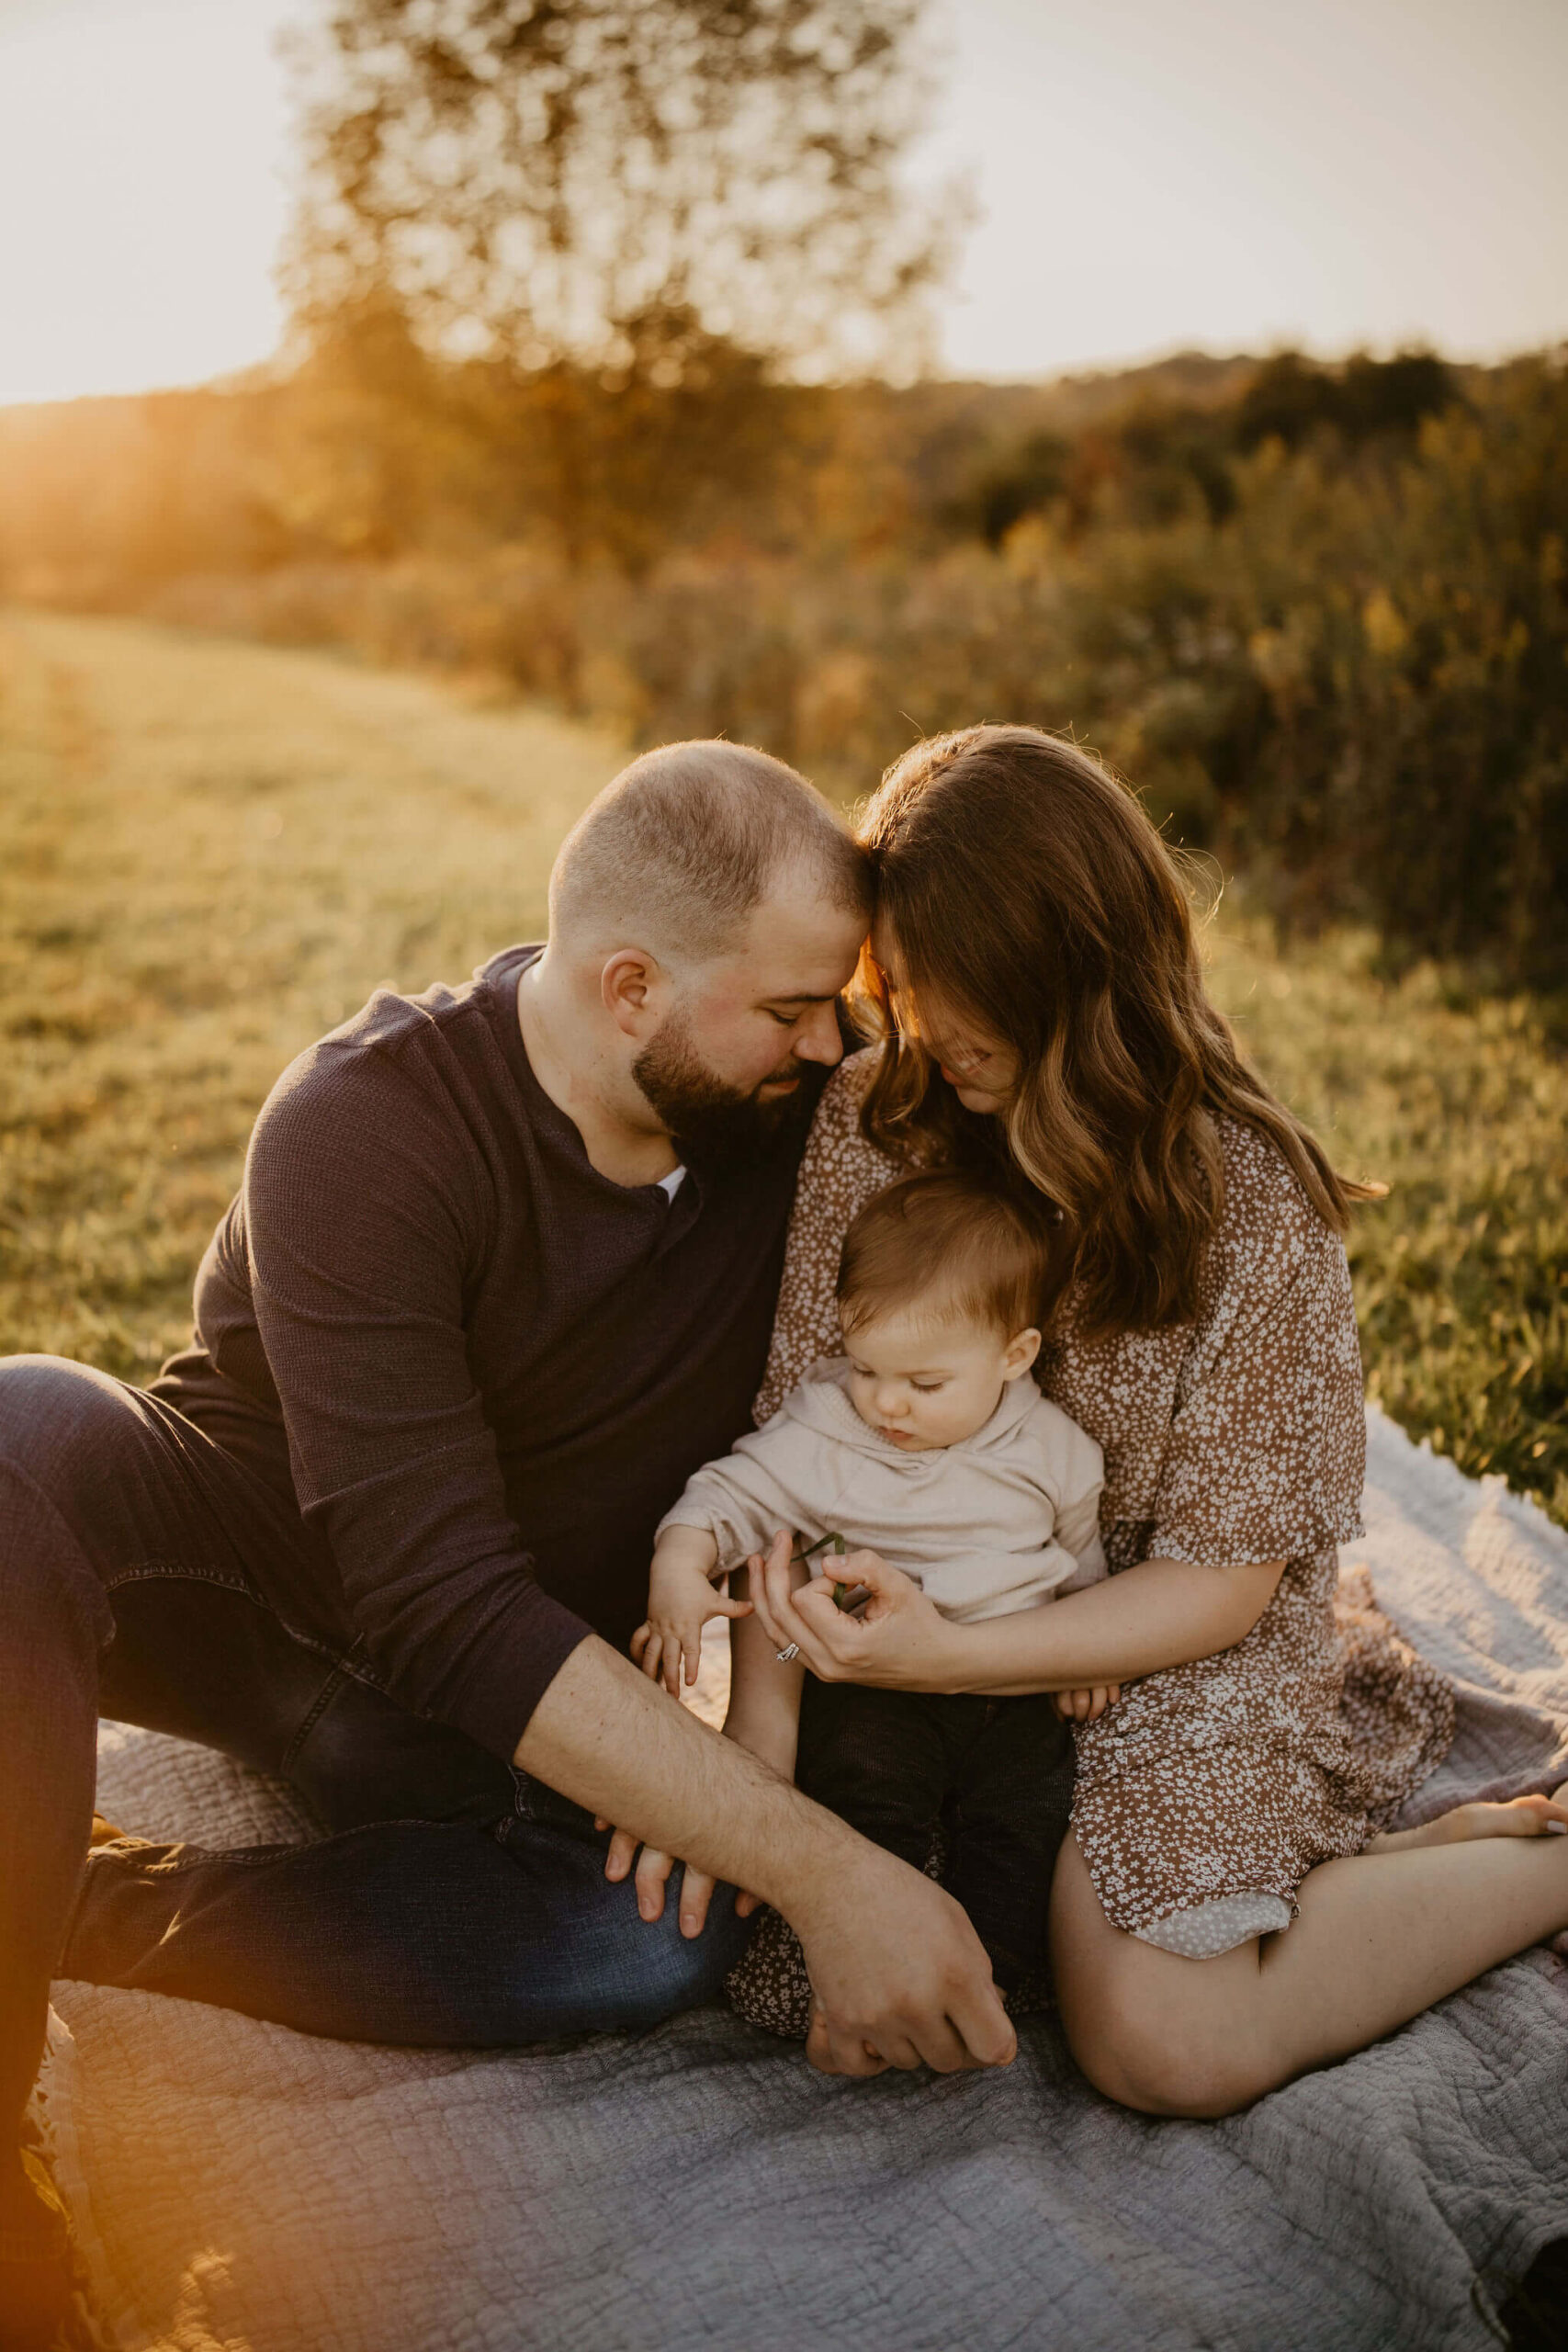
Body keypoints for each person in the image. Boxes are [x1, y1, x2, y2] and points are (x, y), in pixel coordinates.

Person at [0, 741, 1017, 2348]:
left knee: (642, 1941)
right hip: (251, 1587)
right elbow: (432, 1596)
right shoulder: (365, 1124)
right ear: (630, 989)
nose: (835, 1047)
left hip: (504, 1690)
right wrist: (825, 1870)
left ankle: (90, 1908)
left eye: (843, 1007)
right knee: (22, 1430)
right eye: (791, 1010)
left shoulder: (810, 1127)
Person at [721, 722, 1568, 2103]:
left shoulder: (1245, 1210)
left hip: (1164, 1638)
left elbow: (1219, 1585)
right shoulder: (881, 1116)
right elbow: (797, 1434)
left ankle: (1536, 1867)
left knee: (1158, 2042)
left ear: (1064, 976)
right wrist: (758, 1734)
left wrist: (950, 1660)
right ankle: (1316, 1886)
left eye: (944, 990)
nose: (915, 1023)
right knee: (810, 1957)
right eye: (900, 981)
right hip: (935, 1594)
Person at [616, 1169, 1109, 2006]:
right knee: (860, 1799)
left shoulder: (1055, 1451)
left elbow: (1079, 1553)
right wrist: (678, 1565)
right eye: (866, 1365)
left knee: (1023, 1821)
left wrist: (1085, 1643)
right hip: (874, 1682)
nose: (887, 1403)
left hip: (1010, 1681)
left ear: (1013, 1356)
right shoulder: (827, 1429)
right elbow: (730, 1493)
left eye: (924, 1385)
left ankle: (992, 1975)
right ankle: (880, 1955)